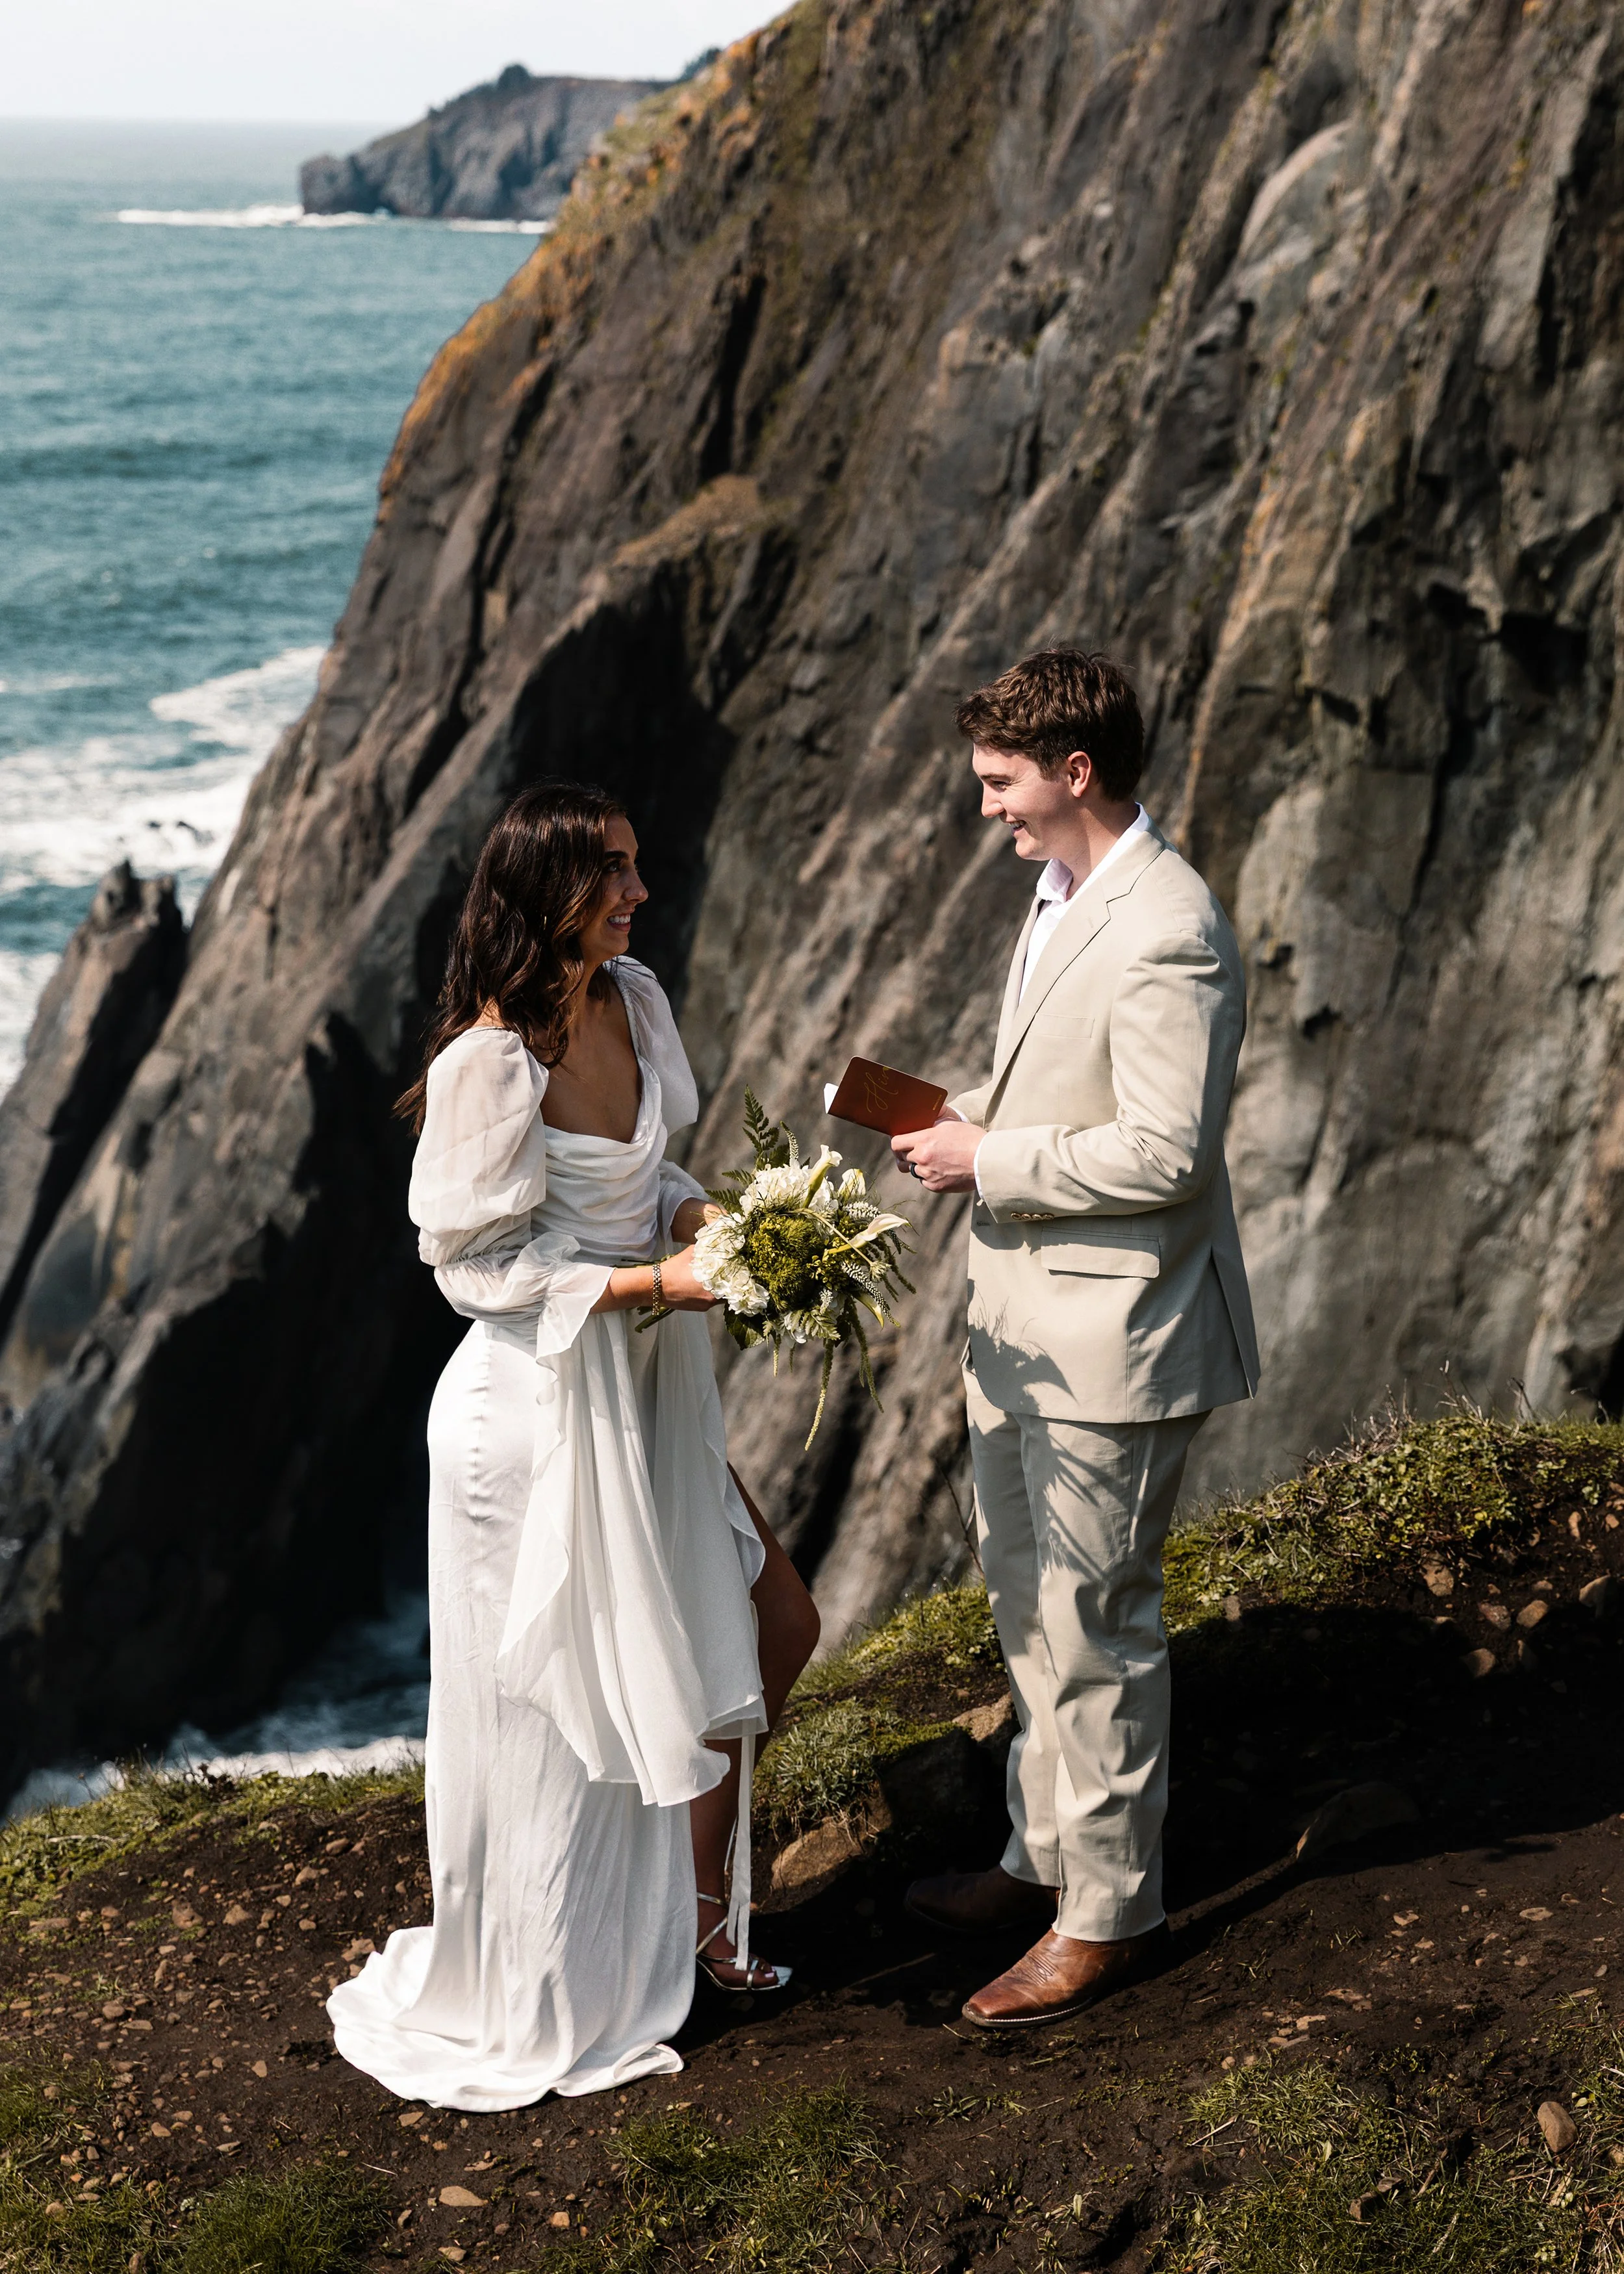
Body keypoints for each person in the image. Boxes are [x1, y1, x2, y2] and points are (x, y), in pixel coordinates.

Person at [329, 782, 819, 2110]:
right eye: (609, 871)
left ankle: (707, 1922)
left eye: (635, 867)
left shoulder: (635, 999)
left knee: (768, 1622)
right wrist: (660, 1288)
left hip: (646, 1394)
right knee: (558, 1711)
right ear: (540, 890)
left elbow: (647, 1177)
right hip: (531, 1416)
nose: (635, 893)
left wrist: (711, 1217)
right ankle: (562, 1979)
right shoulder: (487, 1062)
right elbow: (470, 1265)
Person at [893, 648, 1258, 2030]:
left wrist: (990, 1157)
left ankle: (1107, 1916)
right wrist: (953, 1114)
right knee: (1025, 1607)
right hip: (1022, 1324)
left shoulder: (1169, 923)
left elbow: (1168, 1151)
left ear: (1072, 773)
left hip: (1114, 1331)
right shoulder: (1057, 893)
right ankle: (1039, 1853)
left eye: (998, 783)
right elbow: (1061, 1080)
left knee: (1097, 1619)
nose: (984, 808)